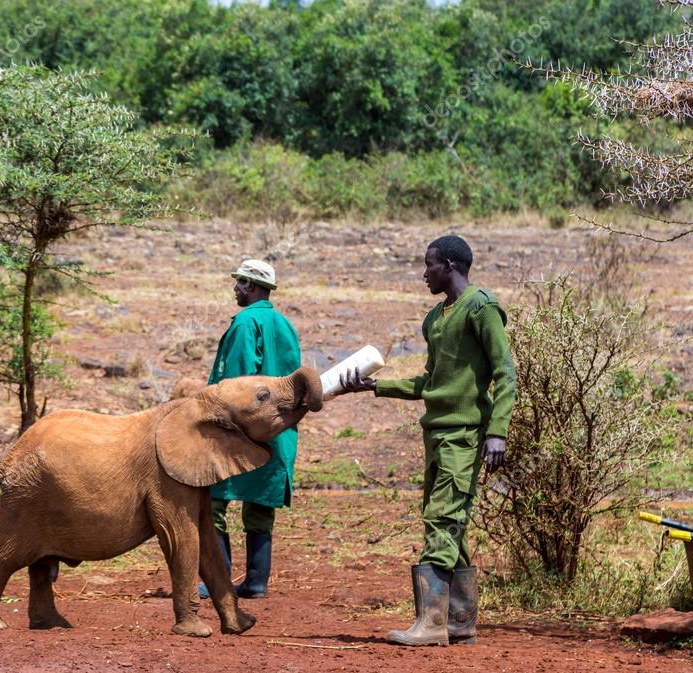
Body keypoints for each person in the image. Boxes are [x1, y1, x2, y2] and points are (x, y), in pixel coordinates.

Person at [337, 235, 516, 646]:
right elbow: (430, 381)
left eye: (429, 265)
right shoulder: (435, 318)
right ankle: (459, 621)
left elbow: (506, 373)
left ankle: (430, 624)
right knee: (450, 521)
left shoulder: (482, 308)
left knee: (442, 517)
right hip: (435, 434)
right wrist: (375, 387)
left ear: (450, 265)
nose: (424, 273)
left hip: (466, 434)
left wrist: (497, 431)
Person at [198, 259, 302, 600]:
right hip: (278, 429)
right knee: (260, 505)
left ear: (254, 287)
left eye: (241, 282)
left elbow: (238, 384)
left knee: (212, 500)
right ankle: (256, 583)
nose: (236, 288)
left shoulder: (245, 322)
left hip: (243, 431)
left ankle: (219, 577)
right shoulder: (285, 325)